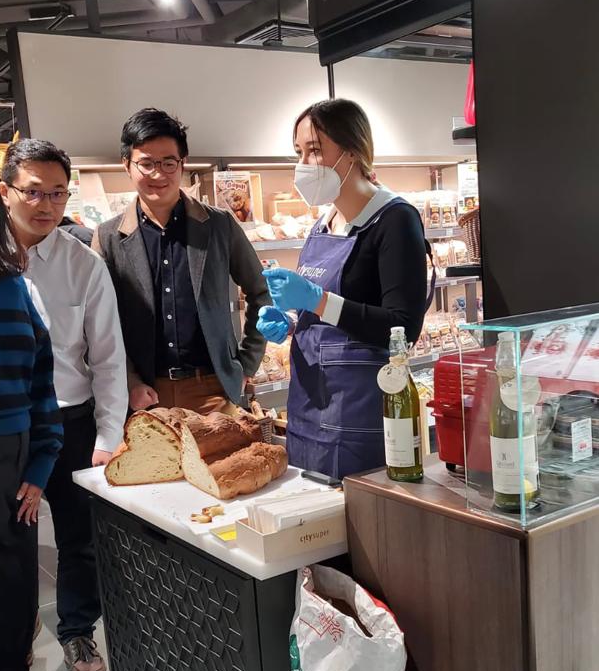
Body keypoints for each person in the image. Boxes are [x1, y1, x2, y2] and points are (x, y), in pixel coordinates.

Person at [0, 140, 128, 671]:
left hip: (72, 423)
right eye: (32, 192)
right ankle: (12, 636)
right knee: (7, 542)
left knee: (80, 538)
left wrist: (107, 435)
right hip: (6, 429)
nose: (45, 205)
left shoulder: (84, 266)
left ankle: (77, 629)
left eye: (57, 193)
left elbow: (107, 358)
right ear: (6, 192)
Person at [258, 98, 432, 480]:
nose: (304, 163)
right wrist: (289, 320)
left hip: (358, 418)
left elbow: (403, 326)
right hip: (307, 412)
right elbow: (325, 314)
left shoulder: (394, 220)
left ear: (352, 151)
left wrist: (316, 300)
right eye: (299, 152)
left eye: (315, 150)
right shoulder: (323, 224)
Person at [0, 166, 81, 671]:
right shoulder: (12, 286)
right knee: (4, 600)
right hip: (5, 464)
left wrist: (43, 461)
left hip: (8, 466)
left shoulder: (14, 287)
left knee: (11, 599)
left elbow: (42, 383)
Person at [93, 108, 269, 414]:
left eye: (168, 162)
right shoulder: (108, 238)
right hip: (145, 395)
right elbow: (99, 322)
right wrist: (129, 380)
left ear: (182, 163)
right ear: (127, 165)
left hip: (214, 390)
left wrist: (247, 363)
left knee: (224, 463)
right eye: (146, 164)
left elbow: (261, 292)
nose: (158, 174)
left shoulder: (219, 225)